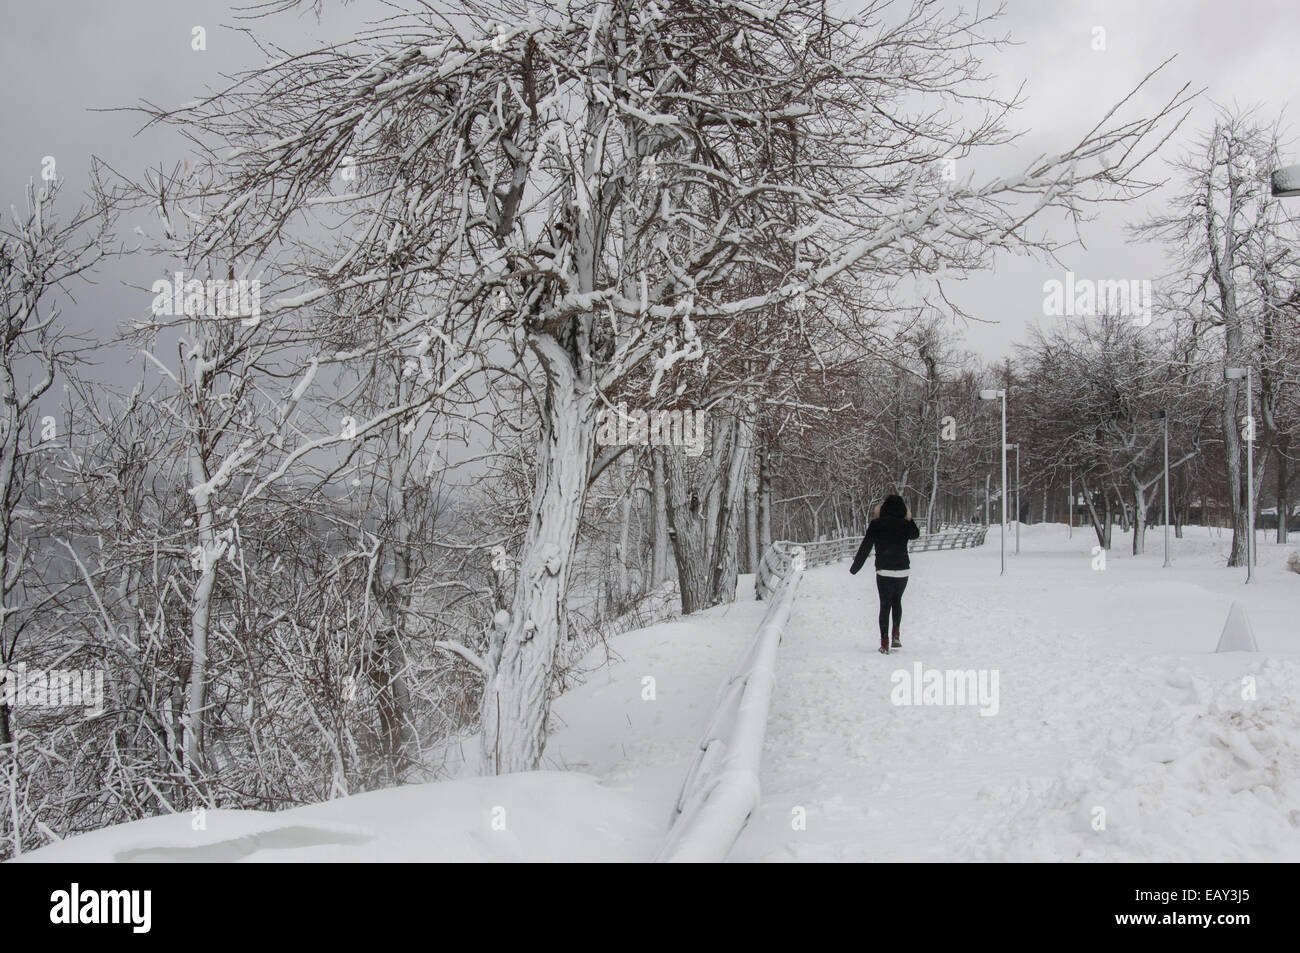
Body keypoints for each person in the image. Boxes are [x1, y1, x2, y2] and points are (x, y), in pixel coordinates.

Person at [849, 494, 920, 655]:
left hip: (884, 570)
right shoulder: (905, 524)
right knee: (897, 601)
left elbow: (865, 547)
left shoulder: (877, 524)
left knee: (885, 604)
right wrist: (909, 518)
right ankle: (896, 635)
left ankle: (884, 641)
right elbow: (915, 534)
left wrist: (855, 568)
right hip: (903, 570)